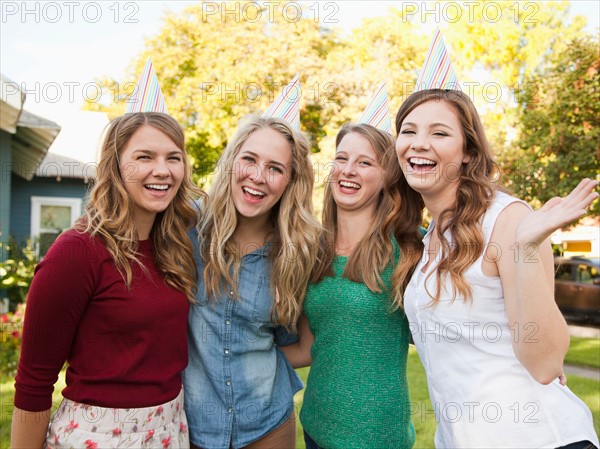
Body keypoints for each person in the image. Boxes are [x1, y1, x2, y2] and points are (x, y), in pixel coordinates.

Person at [392, 88, 599, 448]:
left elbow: (546, 364)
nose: (418, 143)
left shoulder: (507, 218)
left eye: (439, 133)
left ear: (469, 153)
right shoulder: (429, 241)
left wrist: (527, 248)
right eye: (408, 131)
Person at [11, 112, 202, 449]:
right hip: (96, 438)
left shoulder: (175, 247)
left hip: (170, 431)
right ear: (115, 167)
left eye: (173, 158)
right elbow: (34, 381)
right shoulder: (76, 251)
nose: (163, 170)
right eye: (144, 157)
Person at [183, 116, 321, 449]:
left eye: (275, 168)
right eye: (249, 159)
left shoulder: (299, 252)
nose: (257, 177)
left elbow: (307, 346)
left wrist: (247, 361)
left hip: (268, 424)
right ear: (232, 161)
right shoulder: (184, 227)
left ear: (290, 181)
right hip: (190, 424)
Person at [280, 123, 416, 449]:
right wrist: (233, 357)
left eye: (365, 162)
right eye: (341, 159)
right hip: (315, 426)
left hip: (378, 438)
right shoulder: (314, 250)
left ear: (387, 178)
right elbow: (308, 347)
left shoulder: (409, 250)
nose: (348, 170)